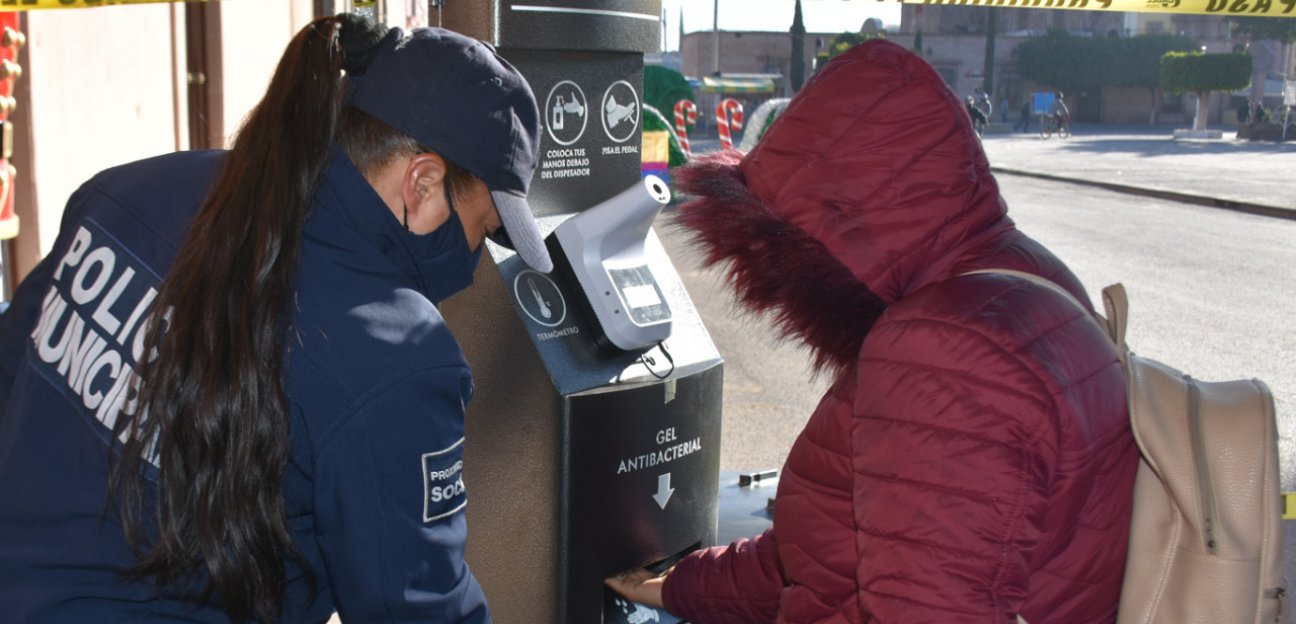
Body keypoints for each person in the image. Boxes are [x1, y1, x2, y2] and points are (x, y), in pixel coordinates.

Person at [0, 14, 551, 623]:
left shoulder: (128, 191)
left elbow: (11, 374)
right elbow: (420, 609)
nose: (474, 263)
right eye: (483, 231)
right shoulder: (398, 357)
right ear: (422, 184)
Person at [606, 39, 1136, 623]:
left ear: (836, 216)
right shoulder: (1025, 278)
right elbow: (842, 549)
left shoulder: (942, 351)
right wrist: (682, 586)